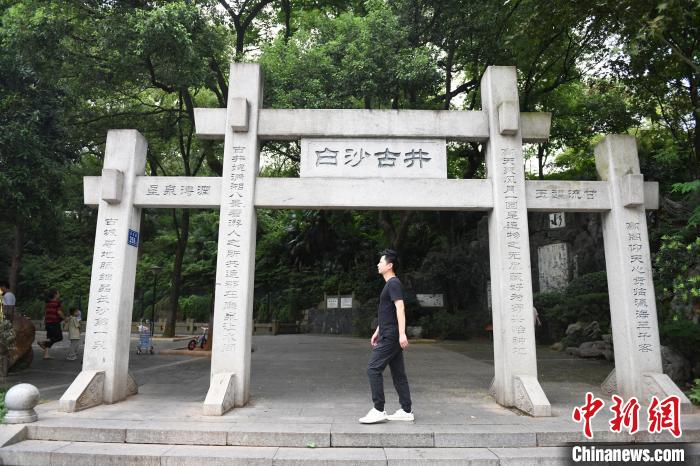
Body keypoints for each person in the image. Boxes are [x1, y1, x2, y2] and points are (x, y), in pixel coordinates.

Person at [359, 249, 413, 424]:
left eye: (381, 262)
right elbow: (387, 311)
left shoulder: (393, 283)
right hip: (388, 333)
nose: (378, 264)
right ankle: (406, 410)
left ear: (389, 265)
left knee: (373, 369)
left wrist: (402, 333)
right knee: (398, 374)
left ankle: (378, 409)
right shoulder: (389, 284)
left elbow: (400, 308)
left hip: (391, 336)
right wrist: (378, 330)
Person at [37, 290, 65, 359]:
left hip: (48, 322)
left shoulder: (48, 302)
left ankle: (46, 355)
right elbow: (59, 312)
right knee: (59, 337)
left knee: (50, 338)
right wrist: (65, 318)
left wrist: (45, 321)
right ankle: (43, 342)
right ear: (55, 295)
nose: (59, 294)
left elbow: (45, 312)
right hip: (54, 322)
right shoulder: (57, 303)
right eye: (58, 293)